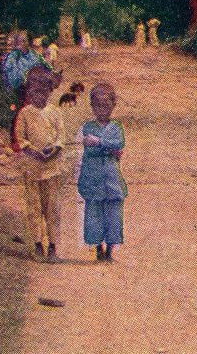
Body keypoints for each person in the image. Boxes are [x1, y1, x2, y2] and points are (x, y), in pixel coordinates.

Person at [13, 67, 65, 261]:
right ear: (28, 92)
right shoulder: (25, 114)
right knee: (34, 207)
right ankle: (36, 244)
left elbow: (61, 136)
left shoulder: (55, 112)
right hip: (32, 167)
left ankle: (52, 245)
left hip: (52, 168)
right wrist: (33, 151)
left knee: (52, 208)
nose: (39, 96)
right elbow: (20, 139)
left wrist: (54, 150)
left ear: (50, 92)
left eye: (43, 92)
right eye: (35, 92)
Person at [77, 83, 127, 262]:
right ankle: (98, 247)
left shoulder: (116, 127)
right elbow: (91, 149)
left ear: (113, 106)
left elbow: (118, 144)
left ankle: (111, 249)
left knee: (114, 213)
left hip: (112, 177)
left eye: (106, 105)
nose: (102, 110)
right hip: (94, 176)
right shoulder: (88, 127)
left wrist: (99, 143)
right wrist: (107, 146)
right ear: (92, 106)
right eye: (98, 105)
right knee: (94, 212)